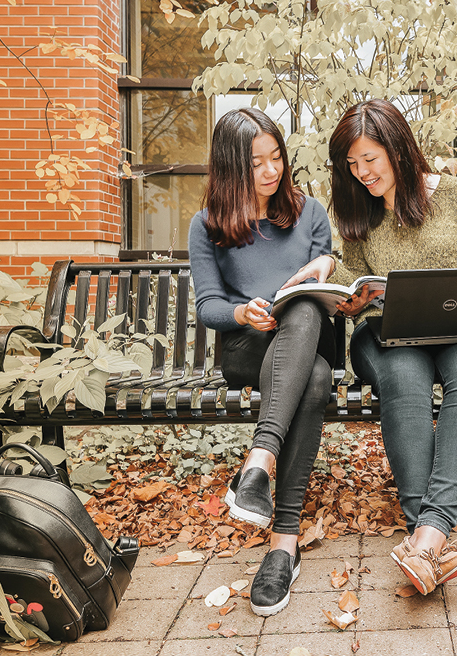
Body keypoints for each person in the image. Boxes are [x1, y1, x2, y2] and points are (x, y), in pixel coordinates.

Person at [283, 98, 457, 595]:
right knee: (404, 380)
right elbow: (352, 275)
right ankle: (433, 539)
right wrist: (334, 278)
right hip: (387, 335)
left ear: (399, 149)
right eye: (352, 164)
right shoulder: (362, 212)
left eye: (371, 159)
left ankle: (425, 538)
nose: (362, 173)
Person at [188, 108, 335, 616]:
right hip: (249, 348)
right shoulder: (208, 224)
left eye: (277, 158)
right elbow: (207, 305)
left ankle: (258, 467)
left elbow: (323, 295)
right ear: (231, 167)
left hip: (307, 336)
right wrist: (241, 312)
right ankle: (284, 542)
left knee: (303, 309)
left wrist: (326, 266)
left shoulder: (310, 212)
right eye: (257, 163)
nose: (271, 171)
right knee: (313, 378)